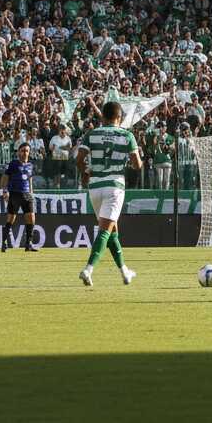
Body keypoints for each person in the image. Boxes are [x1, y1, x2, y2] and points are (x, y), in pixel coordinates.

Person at [75, 101, 142, 286]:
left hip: (95, 186)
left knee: (112, 231)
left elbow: (79, 158)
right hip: (114, 186)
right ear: (119, 117)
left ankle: (124, 272)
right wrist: (132, 159)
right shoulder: (127, 135)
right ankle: (88, 269)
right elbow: (137, 165)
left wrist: (85, 173)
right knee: (105, 230)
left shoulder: (92, 134)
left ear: (102, 116)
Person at [1, 142, 38, 253]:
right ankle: (3, 243)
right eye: (22, 151)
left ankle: (28, 244)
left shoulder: (30, 165)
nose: (24, 153)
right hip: (15, 193)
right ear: (18, 152)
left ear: (29, 152)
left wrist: (31, 192)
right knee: (11, 219)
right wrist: (5, 191)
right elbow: (4, 178)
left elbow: (30, 179)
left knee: (31, 218)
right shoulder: (13, 164)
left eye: (26, 151)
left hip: (27, 194)